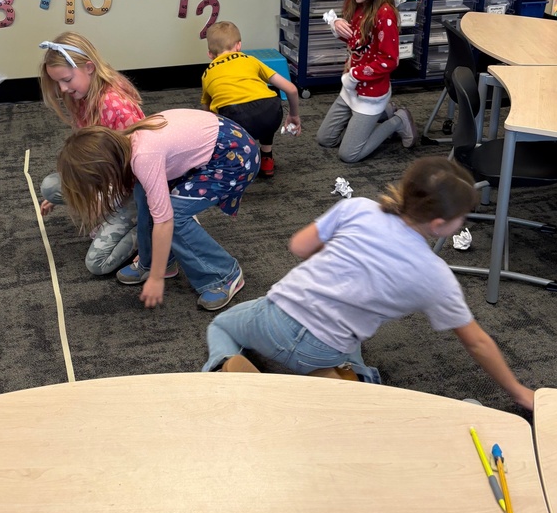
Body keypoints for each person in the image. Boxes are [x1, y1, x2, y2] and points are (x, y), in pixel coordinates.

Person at [202, 157, 535, 411]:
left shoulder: (357, 208)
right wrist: (519, 392)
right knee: (351, 337)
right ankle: (349, 379)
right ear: (439, 224)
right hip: (326, 347)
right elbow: (477, 342)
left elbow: (299, 247)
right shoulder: (436, 276)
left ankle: (224, 370)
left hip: (273, 319)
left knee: (222, 326)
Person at [56, 110, 259, 311]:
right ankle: (155, 261)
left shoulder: (143, 156)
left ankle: (224, 275)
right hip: (222, 142)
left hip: (234, 156)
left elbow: (165, 222)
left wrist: (155, 278)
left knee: (175, 216)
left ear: (106, 168)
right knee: (143, 195)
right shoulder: (126, 144)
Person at [39, 33, 144, 275]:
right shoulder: (83, 96)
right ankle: (114, 214)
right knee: (52, 187)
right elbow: (89, 156)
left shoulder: (116, 106)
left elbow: (139, 167)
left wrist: (105, 197)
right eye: (58, 83)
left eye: (66, 80)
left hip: (136, 188)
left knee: (97, 263)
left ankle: (151, 228)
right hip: (111, 179)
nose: (62, 89)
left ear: (89, 68)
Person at [316, 0, 416, 163]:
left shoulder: (385, 14)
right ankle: (386, 112)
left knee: (348, 154)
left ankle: (398, 120)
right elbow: (358, 43)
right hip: (352, 88)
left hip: (370, 93)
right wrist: (336, 25)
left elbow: (390, 60)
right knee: (325, 139)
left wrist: (354, 75)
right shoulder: (357, 4)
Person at [201, 20, 300, 178]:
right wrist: (294, 115)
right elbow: (291, 89)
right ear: (238, 46)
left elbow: (206, 113)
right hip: (271, 113)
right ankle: (267, 159)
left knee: (218, 117)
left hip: (236, 119)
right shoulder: (250, 60)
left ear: (210, 55)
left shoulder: (207, 74)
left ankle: (235, 164)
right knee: (264, 102)